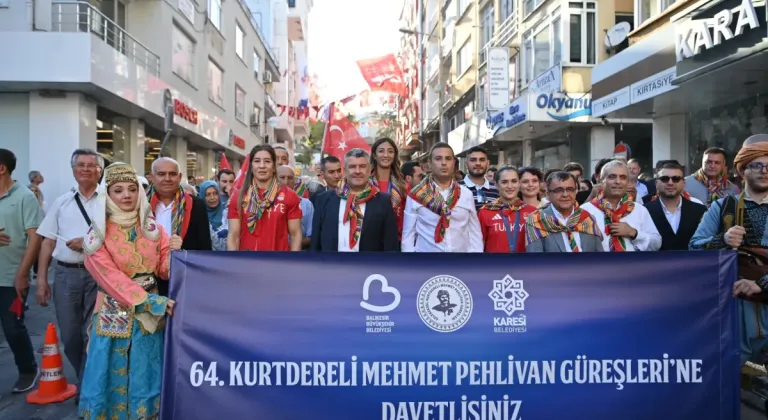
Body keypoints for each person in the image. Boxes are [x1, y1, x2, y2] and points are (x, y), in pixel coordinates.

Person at [78, 162, 178, 420]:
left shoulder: (154, 229)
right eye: (118, 190)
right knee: (110, 370)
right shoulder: (97, 234)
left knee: (146, 369)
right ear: (107, 196)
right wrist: (149, 301)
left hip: (149, 318)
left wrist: (176, 254)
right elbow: (108, 276)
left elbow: (165, 271)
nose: (126, 196)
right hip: (115, 310)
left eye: (132, 189)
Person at [0, 148, 42, 393]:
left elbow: (35, 238)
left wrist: (23, 273)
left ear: (2, 168)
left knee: (13, 327)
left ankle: (27, 370)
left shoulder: (25, 196)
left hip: (11, 277)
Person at [311, 149, 399, 252]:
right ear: (345, 170)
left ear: (369, 169)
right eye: (352, 167)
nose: (357, 171)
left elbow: (390, 243)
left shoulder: (383, 201)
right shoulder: (323, 199)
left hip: (368, 266)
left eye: (362, 166)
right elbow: (315, 242)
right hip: (331, 265)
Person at [477, 166, 536, 253]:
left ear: (519, 184)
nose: (510, 186)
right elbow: (478, 246)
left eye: (514, 181)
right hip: (494, 265)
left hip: (524, 265)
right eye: (504, 182)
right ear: (496, 185)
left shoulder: (532, 212)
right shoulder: (484, 212)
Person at [200, 180, 228, 251]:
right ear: (202, 197)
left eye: (215, 193)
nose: (212, 198)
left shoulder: (227, 211)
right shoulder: (199, 215)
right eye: (208, 195)